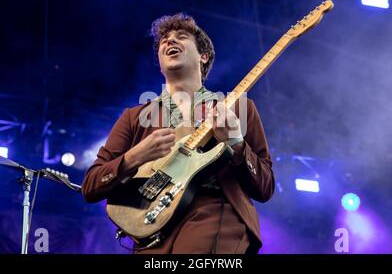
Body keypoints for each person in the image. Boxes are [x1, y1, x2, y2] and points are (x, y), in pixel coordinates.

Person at [81, 13, 275, 254]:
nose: (169, 41)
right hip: (152, 227)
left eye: (181, 37)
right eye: (164, 40)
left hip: (214, 213)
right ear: (160, 64)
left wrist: (236, 143)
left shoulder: (238, 108)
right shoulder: (134, 116)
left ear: (203, 57)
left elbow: (265, 188)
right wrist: (135, 157)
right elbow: (90, 186)